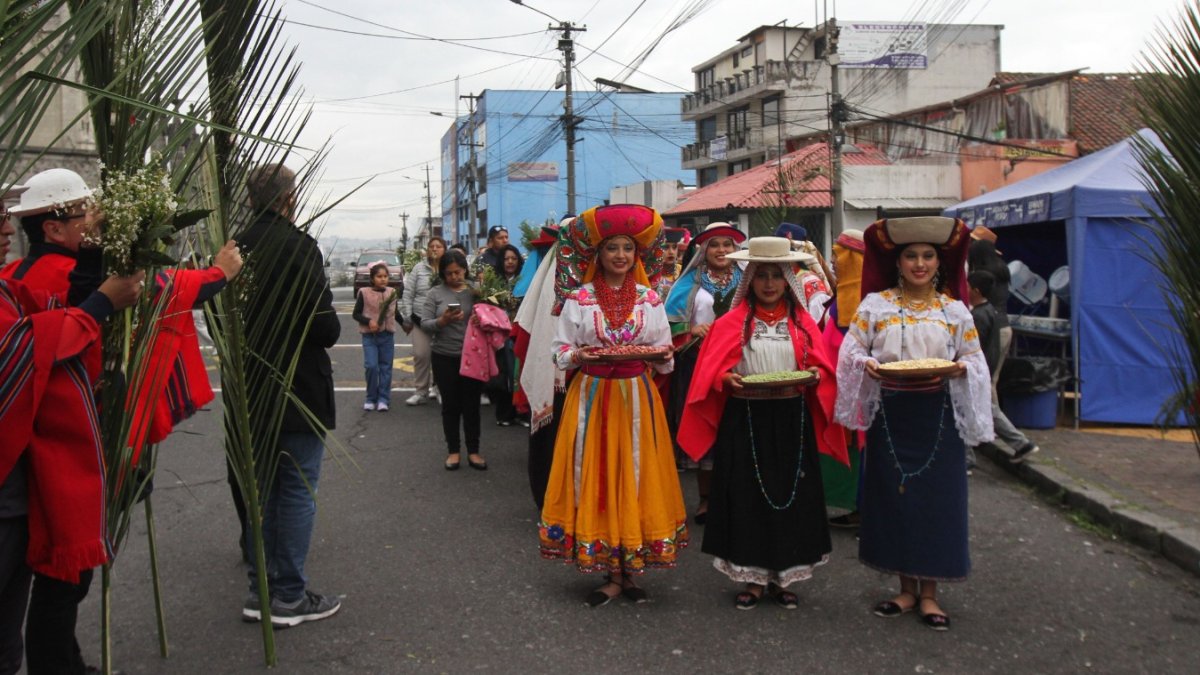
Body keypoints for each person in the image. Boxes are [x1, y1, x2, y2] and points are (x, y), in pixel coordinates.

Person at [835, 216, 994, 632]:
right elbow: (851, 352)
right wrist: (866, 363)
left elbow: (975, 359)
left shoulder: (954, 310)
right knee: (896, 500)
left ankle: (930, 594)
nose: (919, 264)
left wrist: (962, 369)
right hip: (891, 414)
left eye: (927, 256)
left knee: (937, 504)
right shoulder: (876, 306)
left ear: (939, 263)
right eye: (911, 256)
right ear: (898, 262)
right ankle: (905, 590)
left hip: (938, 416)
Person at [679, 236, 847, 610]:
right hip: (746, 417)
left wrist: (815, 375)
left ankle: (784, 574)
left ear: (788, 280)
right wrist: (724, 378)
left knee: (791, 497)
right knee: (747, 497)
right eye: (761, 276)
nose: (769, 283)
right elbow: (711, 370)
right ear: (750, 280)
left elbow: (821, 365)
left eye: (776, 275)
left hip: (792, 418)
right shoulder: (731, 323)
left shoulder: (803, 323)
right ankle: (752, 579)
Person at [539, 204, 686, 607]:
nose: (620, 255)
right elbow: (559, 352)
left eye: (627, 248)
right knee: (599, 478)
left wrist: (656, 355)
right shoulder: (580, 298)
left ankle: (632, 567)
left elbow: (664, 350)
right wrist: (581, 357)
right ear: (597, 255)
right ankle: (610, 570)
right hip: (591, 398)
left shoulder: (649, 298)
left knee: (636, 476)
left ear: (637, 255)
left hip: (637, 397)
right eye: (612, 248)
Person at [237, 163, 342, 627]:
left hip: (249, 390)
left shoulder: (235, 246)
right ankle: (290, 596)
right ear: (289, 198)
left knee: (265, 493)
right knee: (296, 492)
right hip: (297, 386)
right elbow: (326, 326)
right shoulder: (298, 246)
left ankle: (264, 590)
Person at [664, 222, 746, 523]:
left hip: (739, 364)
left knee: (737, 430)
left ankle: (737, 497)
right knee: (707, 428)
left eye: (727, 244)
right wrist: (690, 328)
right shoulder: (689, 284)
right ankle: (707, 499)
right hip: (698, 364)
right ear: (703, 250)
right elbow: (665, 324)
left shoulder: (747, 280)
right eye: (715, 245)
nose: (722, 250)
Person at [512, 222, 567, 508]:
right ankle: (548, 500)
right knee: (549, 436)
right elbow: (530, 332)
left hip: (590, 376)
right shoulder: (550, 279)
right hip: (554, 372)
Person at [419, 248, 488, 471]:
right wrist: (443, 321)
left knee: (472, 405)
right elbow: (425, 323)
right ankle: (454, 451)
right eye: (449, 273)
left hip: (472, 356)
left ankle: (474, 451)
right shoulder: (435, 294)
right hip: (444, 356)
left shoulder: (476, 290)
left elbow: (491, 314)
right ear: (442, 274)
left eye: (458, 272)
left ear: (464, 270)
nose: (454, 277)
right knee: (450, 406)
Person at [967, 271, 1040, 463]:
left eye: (967, 286)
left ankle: (967, 459)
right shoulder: (989, 311)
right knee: (986, 408)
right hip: (980, 370)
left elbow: (974, 347)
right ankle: (1021, 444)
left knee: (966, 409)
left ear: (975, 290)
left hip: (973, 371)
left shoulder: (979, 316)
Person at [400, 237, 445, 406]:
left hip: (442, 321)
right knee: (421, 355)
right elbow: (408, 293)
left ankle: (440, 389)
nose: (434, 249)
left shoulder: (448, 268)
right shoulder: (418, 268)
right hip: (420, 320)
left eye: (438, 246)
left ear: (444, 249)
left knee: (441, 357)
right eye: (431, 246)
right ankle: (421, 391)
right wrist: (408, 316)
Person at [353, 262, 399, 411]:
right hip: (369, 337)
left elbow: (395, 313)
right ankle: (371, 397)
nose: (383, 279)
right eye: (379, 276)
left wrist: (405, 324)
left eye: (385, 276)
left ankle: (383, 398)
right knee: (372, 366)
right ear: (372, 278)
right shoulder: (364, 293)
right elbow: (356, 314)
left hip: (387, 335)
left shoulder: (392, 292)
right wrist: (369, 321)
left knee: (386, 367)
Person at [489, 244, 523, 426]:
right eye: (506, 258)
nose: (510, 262)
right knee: (503, 374)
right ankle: (504, 414)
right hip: (500, 335)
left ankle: (523, 412)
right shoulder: (493, 282)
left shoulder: (526, 280)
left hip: (520, 333)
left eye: (514, 258)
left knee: (519, 373)